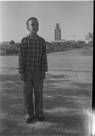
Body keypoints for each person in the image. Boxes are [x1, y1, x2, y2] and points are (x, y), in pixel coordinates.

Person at [18, 17, 48, 123]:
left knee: (39, 93)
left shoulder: (42, 41)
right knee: (27, 93)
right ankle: (29, 114)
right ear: (28, 27)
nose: (35, 26)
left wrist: (43, 71)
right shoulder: (24, 41)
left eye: (37, 24)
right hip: (27, 72)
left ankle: (39, 113)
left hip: (38, 72)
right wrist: (22, 72)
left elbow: (44, 57)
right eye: (32, 25)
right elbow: (21, 57)